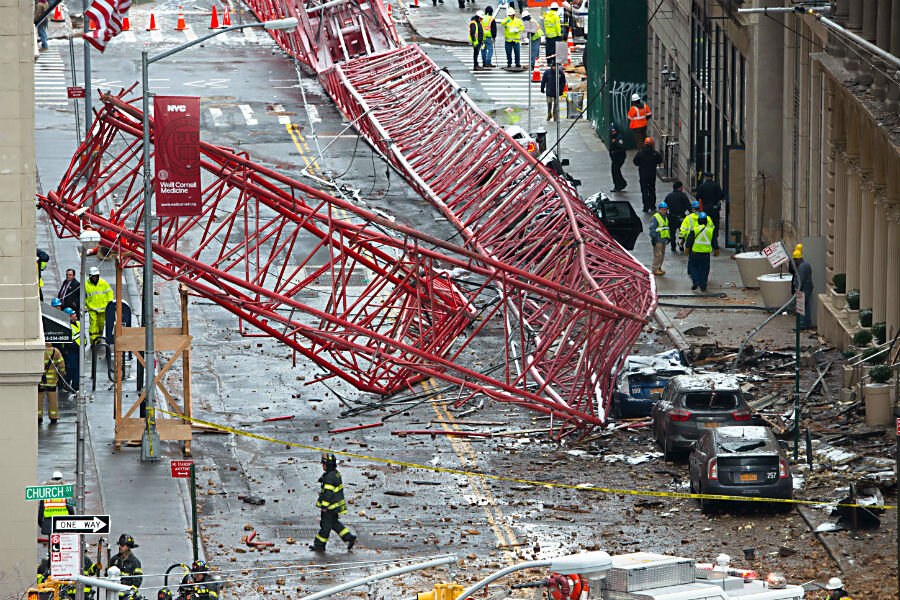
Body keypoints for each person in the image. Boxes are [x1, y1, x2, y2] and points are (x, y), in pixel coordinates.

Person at [310, 453, 357, 552]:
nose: (323, 466)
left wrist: (324, 507)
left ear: (328, 465)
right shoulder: (335, 473)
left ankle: (319, 545)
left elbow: (328, 493)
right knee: (335, 524)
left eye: (324, 464)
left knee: (325, 526)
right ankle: (349, 537)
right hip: (335, 507)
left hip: (330, 507)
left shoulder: (329, 477)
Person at [694, 172, 725, 255]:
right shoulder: (716, 186)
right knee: (715, 224)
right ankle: (714, 239)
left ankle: (706, 239)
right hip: (714, 208)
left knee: (705, 224)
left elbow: (697, 197)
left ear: (706, 177)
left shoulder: (702, 186)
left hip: (705, 208)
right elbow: (721, 195)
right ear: (712, 178)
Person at [84, 266, 114, 344]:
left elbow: (109, 292)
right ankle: (93, 341)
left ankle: (99, 338)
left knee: (101, 324)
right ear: (90, 276)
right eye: (93, 276)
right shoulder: (86, 285)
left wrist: (110, 302)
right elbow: (83, 297)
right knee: (93, 325)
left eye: (96, 276)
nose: (95, 277)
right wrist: (84, 307)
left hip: (103, 309)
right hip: (92, 309)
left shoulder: (103, 283)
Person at [686, 211, 714, 291]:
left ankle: (695, 281)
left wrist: (687, 249)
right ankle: (703, 286)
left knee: (693, 267)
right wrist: (716, 249)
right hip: (705, 254)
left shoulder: (695, 230)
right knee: (704, 270)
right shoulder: (710, 230)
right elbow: (714, 241)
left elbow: (689, 240)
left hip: (695, 252)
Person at [632, 137, 662, 212]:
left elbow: (635, 161)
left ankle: (646, 206)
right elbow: (660, 160)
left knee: (644, 190)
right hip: (652, 174)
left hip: (643, 174)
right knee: (652, 189)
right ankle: (652, 206)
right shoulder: (655, 153)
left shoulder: (641, 153)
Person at [39, 344, 65, 424]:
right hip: (52, 380)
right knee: (52, 399)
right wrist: (62, 374)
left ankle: (38, 417)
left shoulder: (39, 351)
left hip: (40, 380)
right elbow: (61, 365)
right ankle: (53, 417)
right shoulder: (55, 351)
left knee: (39, 398)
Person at [790, 243, 813, 331]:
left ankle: (802, 324)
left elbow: (800, 281)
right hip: (807, 287)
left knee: (800, 306)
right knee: (806, 305)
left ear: (797, 260)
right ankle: (807, 323)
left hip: (803, 289)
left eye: (794, 260)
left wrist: (797, 290)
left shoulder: (801, 267)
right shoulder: (806, 265)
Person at [664, 181, 691, 251]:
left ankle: (673, 246)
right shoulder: (683, 195)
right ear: (680, 188)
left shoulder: (669, 196)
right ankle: (681, 244)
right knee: (682, 233)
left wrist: (666, 214)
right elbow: (688, 206)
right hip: (681, 217)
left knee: (672, 233)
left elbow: (664, 206)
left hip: (672, 217)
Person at [60, 308, 80, 393]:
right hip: (72, 351)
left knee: (77, 369)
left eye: (74, 313)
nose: (75, 315)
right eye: (72, 314)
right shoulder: (67, 326)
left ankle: (75, 386)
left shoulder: (78, 323)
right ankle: (67, 384)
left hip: (78, 350)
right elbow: (69, 342)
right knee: (72, 369)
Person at [649, 202, 669, 276]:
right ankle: (655, 268)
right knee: (658, 254)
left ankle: (659, 267)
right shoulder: (656, 217)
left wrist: (668, 237)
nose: (664, 211)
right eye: (663, 209)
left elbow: (666, 227)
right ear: (659, 209)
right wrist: (653, 238)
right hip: (658, 239)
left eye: (665, 209)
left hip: (663, 239)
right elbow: (652, 229)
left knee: (662, 254)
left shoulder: (665, 217)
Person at [608, 122, 627, 192]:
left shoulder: (618, 138)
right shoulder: (613, 137)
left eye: (614, 131)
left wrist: (614, 152)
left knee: (615, 171)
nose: (612, 132)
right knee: (615, 171)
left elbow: (622, 148)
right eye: (611, 131)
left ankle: (619, 185)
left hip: (619, 157)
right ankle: (620, 184)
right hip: (615, 158)